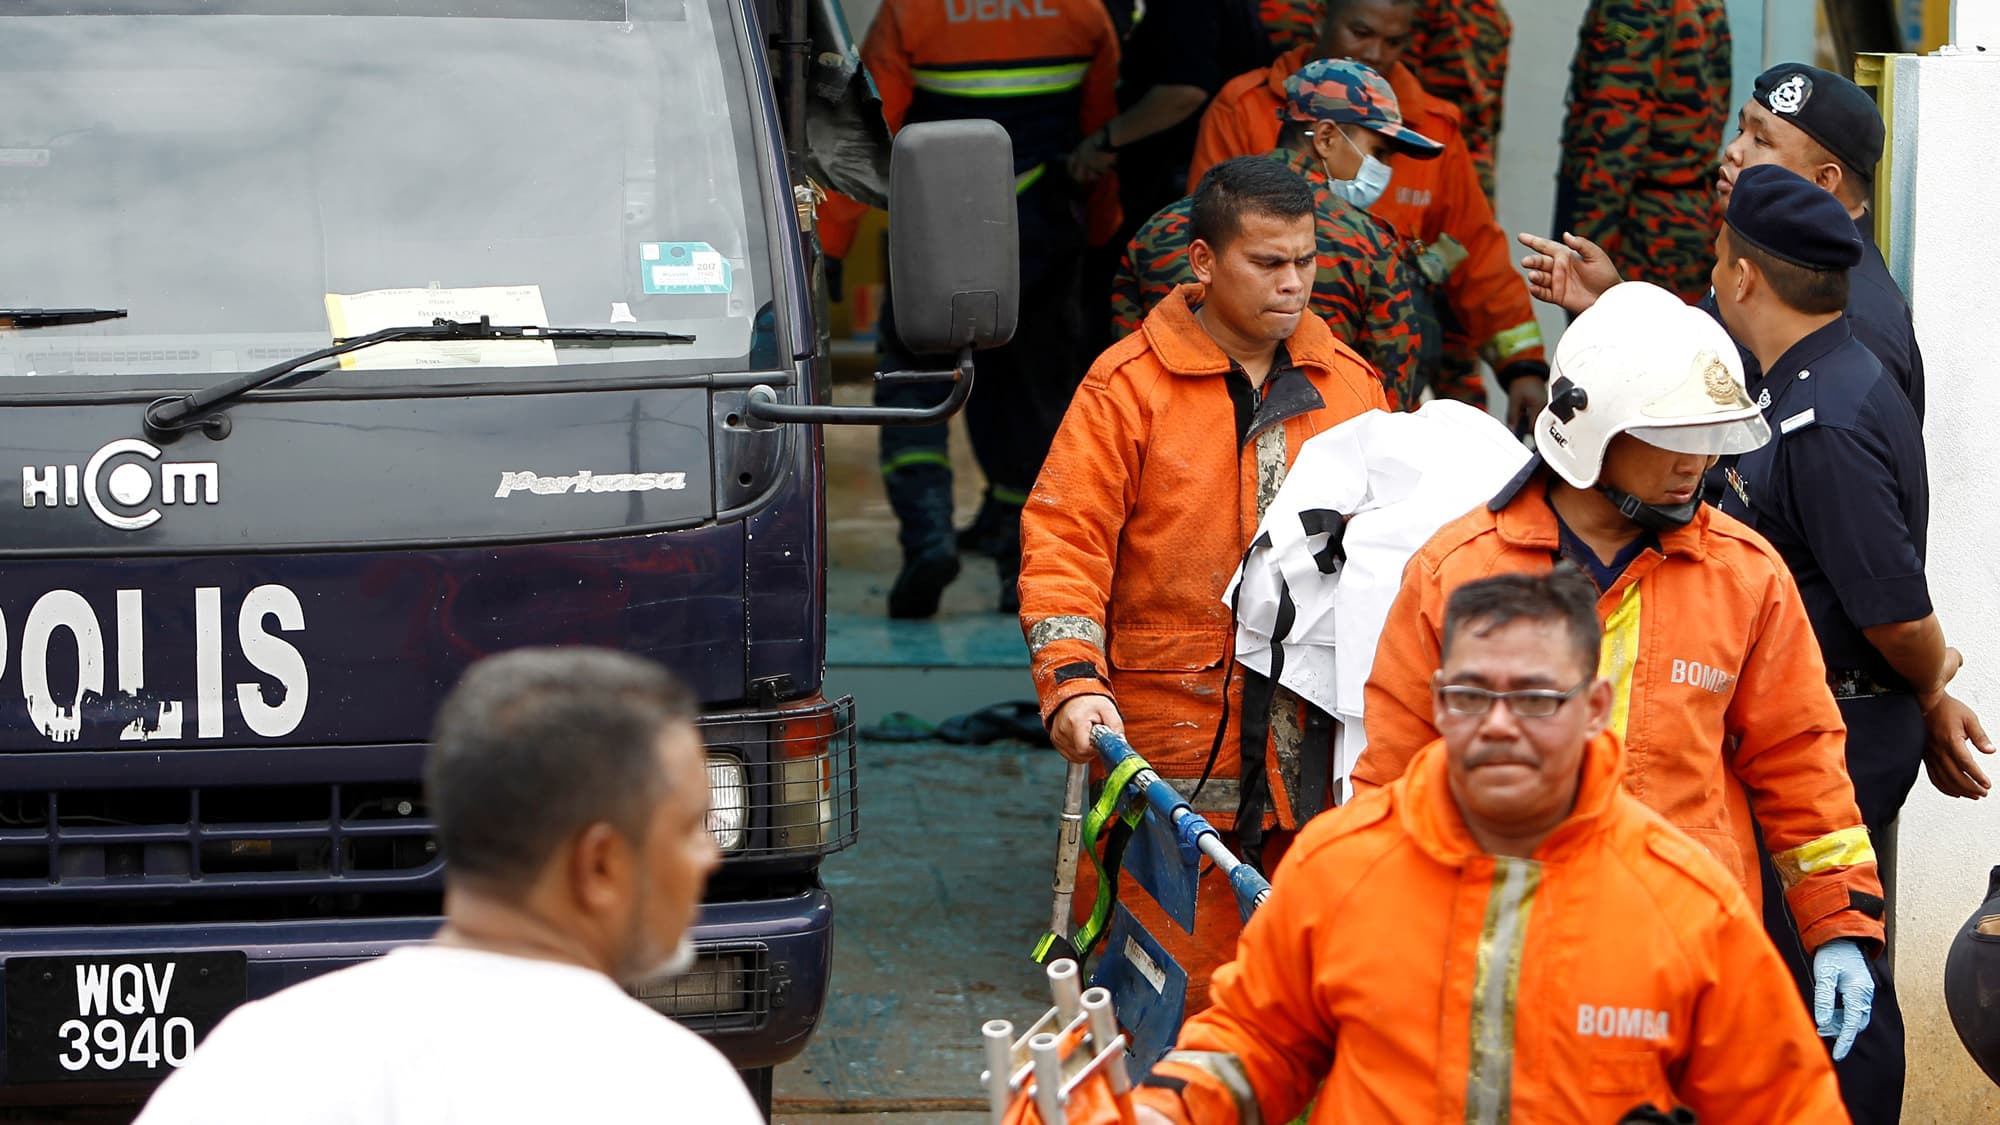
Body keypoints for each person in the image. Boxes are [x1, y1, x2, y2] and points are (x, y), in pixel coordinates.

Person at [1352, 281, 1888, 1064]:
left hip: (1685, 960)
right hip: (1500, 963)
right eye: (1673, 435)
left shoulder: (1745, 576)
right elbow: (1394, 778)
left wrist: (1838, 922)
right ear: (1590, 431)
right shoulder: (1457, 573)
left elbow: (1800, 760)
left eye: (1709, 435)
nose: (1697, 462)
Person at [1114, 571, 1849, 1124]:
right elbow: (1256, 1043)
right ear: (1438, 701)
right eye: (1471, 695)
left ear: (1595, 707)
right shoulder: (1341, 865)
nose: (1499, 724)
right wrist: (1161, 1113)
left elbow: (1785, 1104)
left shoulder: (1687, 904)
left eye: (1535, 698)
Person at [1020, 156, 1387, 1014]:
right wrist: (1072, 681)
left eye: (1306, 260)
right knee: (1158, 1005)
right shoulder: (1126, 389)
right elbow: (1065, 540)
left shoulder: (1351, 386)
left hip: (1314, 761)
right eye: (1268, 262)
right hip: (1167, 755)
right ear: (1203, 261)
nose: (1294, 282)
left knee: (1306, 1005)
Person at [135, 648, 757, 1124]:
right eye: (690, 827)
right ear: (600, 865)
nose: (709, 856)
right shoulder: (672, 1090)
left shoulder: (261, 1053)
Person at [1707, 162, 1994, 1124]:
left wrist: (1929, 685)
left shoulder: (1823, 415)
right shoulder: (1811, 376)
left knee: (1827, 974)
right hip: (1825, 716)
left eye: (1718, 256)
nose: (1713, 272)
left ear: (1745, 275)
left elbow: (1898, 615)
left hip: (1832, 732)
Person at [823, 0, 1120, 617]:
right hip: (1041, 229)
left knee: (913, 386)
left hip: (939, 232)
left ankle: (927, 538)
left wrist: (831, 243)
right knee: (1033, 405)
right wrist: (1098, 235)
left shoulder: (915, 12)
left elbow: (866, 130)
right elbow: (1100, 128)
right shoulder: (1083, 12)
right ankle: (1024, 569)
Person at [1187, 0, 1548, 428]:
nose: (1375, 53)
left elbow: (1476, 255)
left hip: (1378, 387)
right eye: (1361, 33)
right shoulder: (1247, 108)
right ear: (1320, 19)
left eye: (1393, 41)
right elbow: (1204, 245)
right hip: (1252, 370)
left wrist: (1522, 365)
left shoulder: (1430, 126)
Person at [1524, 62, 1925, 419]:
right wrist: (1615, 302)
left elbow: (1836, 463)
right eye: (1740, 131)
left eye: (1761, 142)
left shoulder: (1857, 316)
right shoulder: (1769, 258)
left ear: (1824, 180)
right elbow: (1704, 365)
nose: (1733, 151)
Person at [1110, 59, 1438, 408]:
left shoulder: (1160, 227)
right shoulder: (1370, 245)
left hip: (1173, 429)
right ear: (1326, 138)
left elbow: (1127, 371)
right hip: (1316, 436)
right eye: (1379, 152)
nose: (1385, 169)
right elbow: (1386, 403)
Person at [1553, 0, 1732, 303]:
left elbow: (1614, 131)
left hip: (1639, 232)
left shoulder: (1636, 5)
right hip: (1689, 221)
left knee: (1618, 330)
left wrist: (1585, 245)